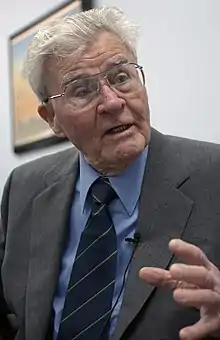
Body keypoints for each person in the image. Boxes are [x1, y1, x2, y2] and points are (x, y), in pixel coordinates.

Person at [1, 6, 220, 340]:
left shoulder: (212, 175)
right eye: (83, 90)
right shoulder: (23, 187)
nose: (113, 102)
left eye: (121, 77)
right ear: (51, 119)